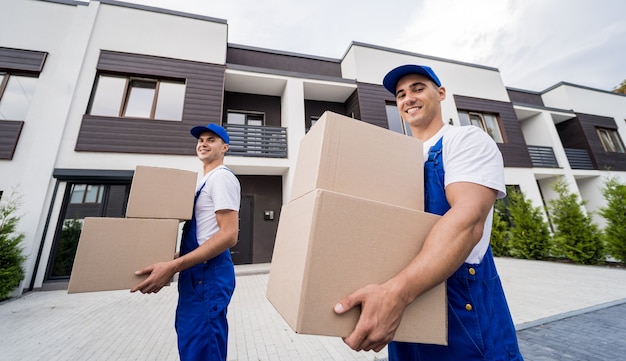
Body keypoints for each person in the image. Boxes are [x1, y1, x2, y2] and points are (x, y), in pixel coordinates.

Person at [334, 65, 524, 360]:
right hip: (404, 310)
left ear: (441, 93)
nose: (408, 97)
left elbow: (467, 222)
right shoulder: (395, 160)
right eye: (400, 94)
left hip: (458, 307)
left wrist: (396, 293)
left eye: (418, 88)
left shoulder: (465, 141)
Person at [131, 123, 241, 361]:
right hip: (196, 275)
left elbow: (229, 235)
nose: (203, 143)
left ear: (225, 148)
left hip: (208, 275)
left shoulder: (221, 178)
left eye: (211, 139)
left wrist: (174, 266)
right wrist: (176, 257)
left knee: (203, 349)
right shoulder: (203, 182)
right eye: (201, 139)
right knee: (191, 342)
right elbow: (206, 234)